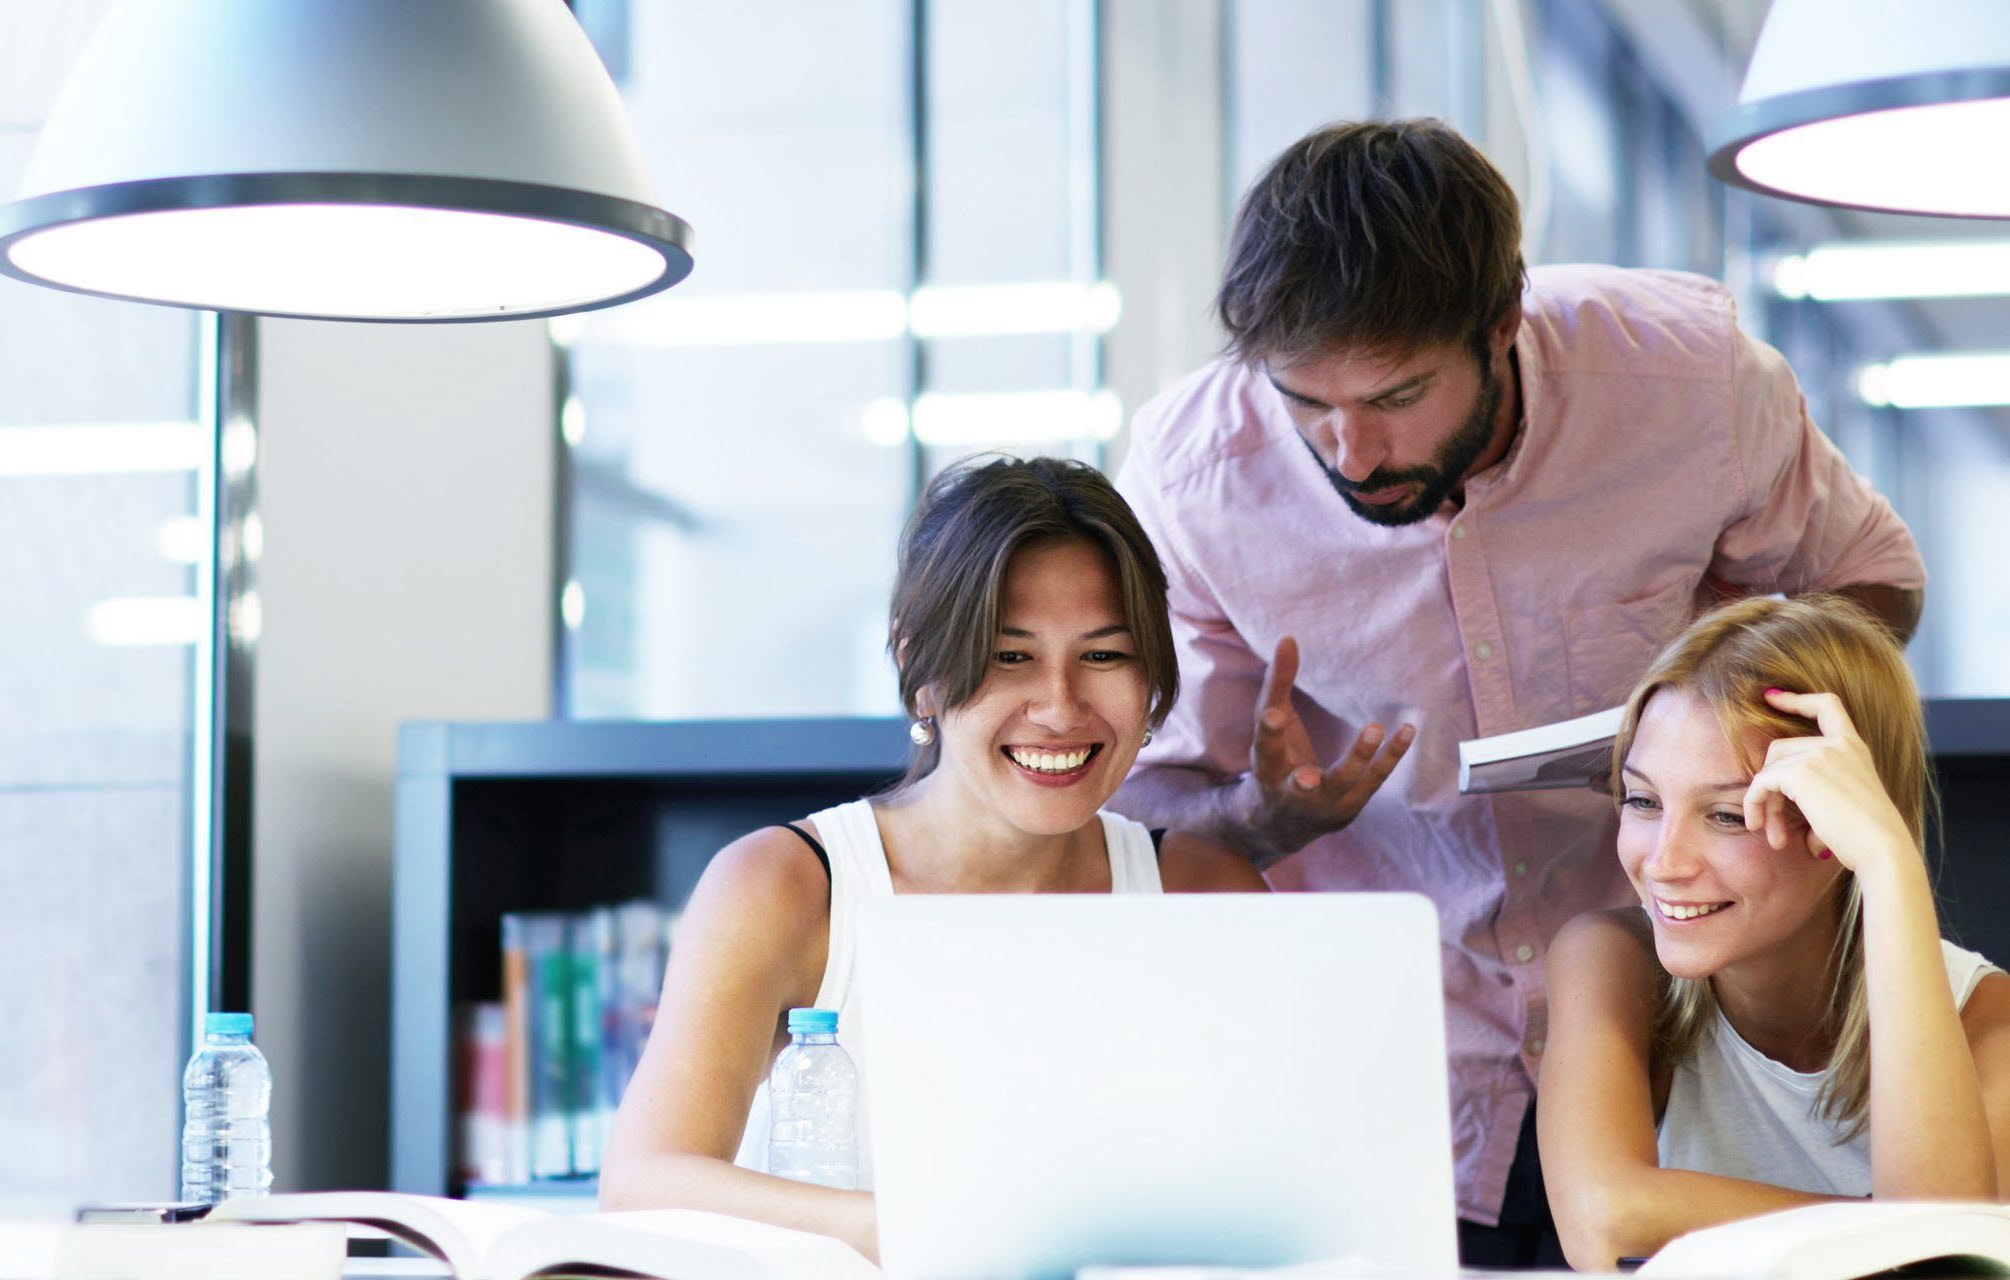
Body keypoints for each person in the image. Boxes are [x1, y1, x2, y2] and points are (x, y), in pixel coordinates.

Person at [1108, 118, 1929, 1264]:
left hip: (1697, 1022)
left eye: (1396, 396)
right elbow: (1138, 802)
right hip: (1393, 1062)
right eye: (1305, 403)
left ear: (1502, 327)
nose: (1348, 451)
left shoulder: (1686, 380)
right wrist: (1262, 819)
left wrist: (1731, 723)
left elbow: (1872, 587)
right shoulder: (1192, 478)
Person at [596, 456, 1265, 1257]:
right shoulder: (785, 884)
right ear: (921, 671)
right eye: (1010, 656)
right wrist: (913, 1230)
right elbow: (644, 1182)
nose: (1060, 708)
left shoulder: (1206, 893)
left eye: (1104, 656)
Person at [1536, 597, 2010, 1270]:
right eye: (1643, 801)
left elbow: (1939, 1269)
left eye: (1729, 815)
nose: (1663, 863)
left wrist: (1888, 865)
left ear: (1843, 820)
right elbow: (1604, 1220)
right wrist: (1897, 1227)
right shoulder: (1610, 958)